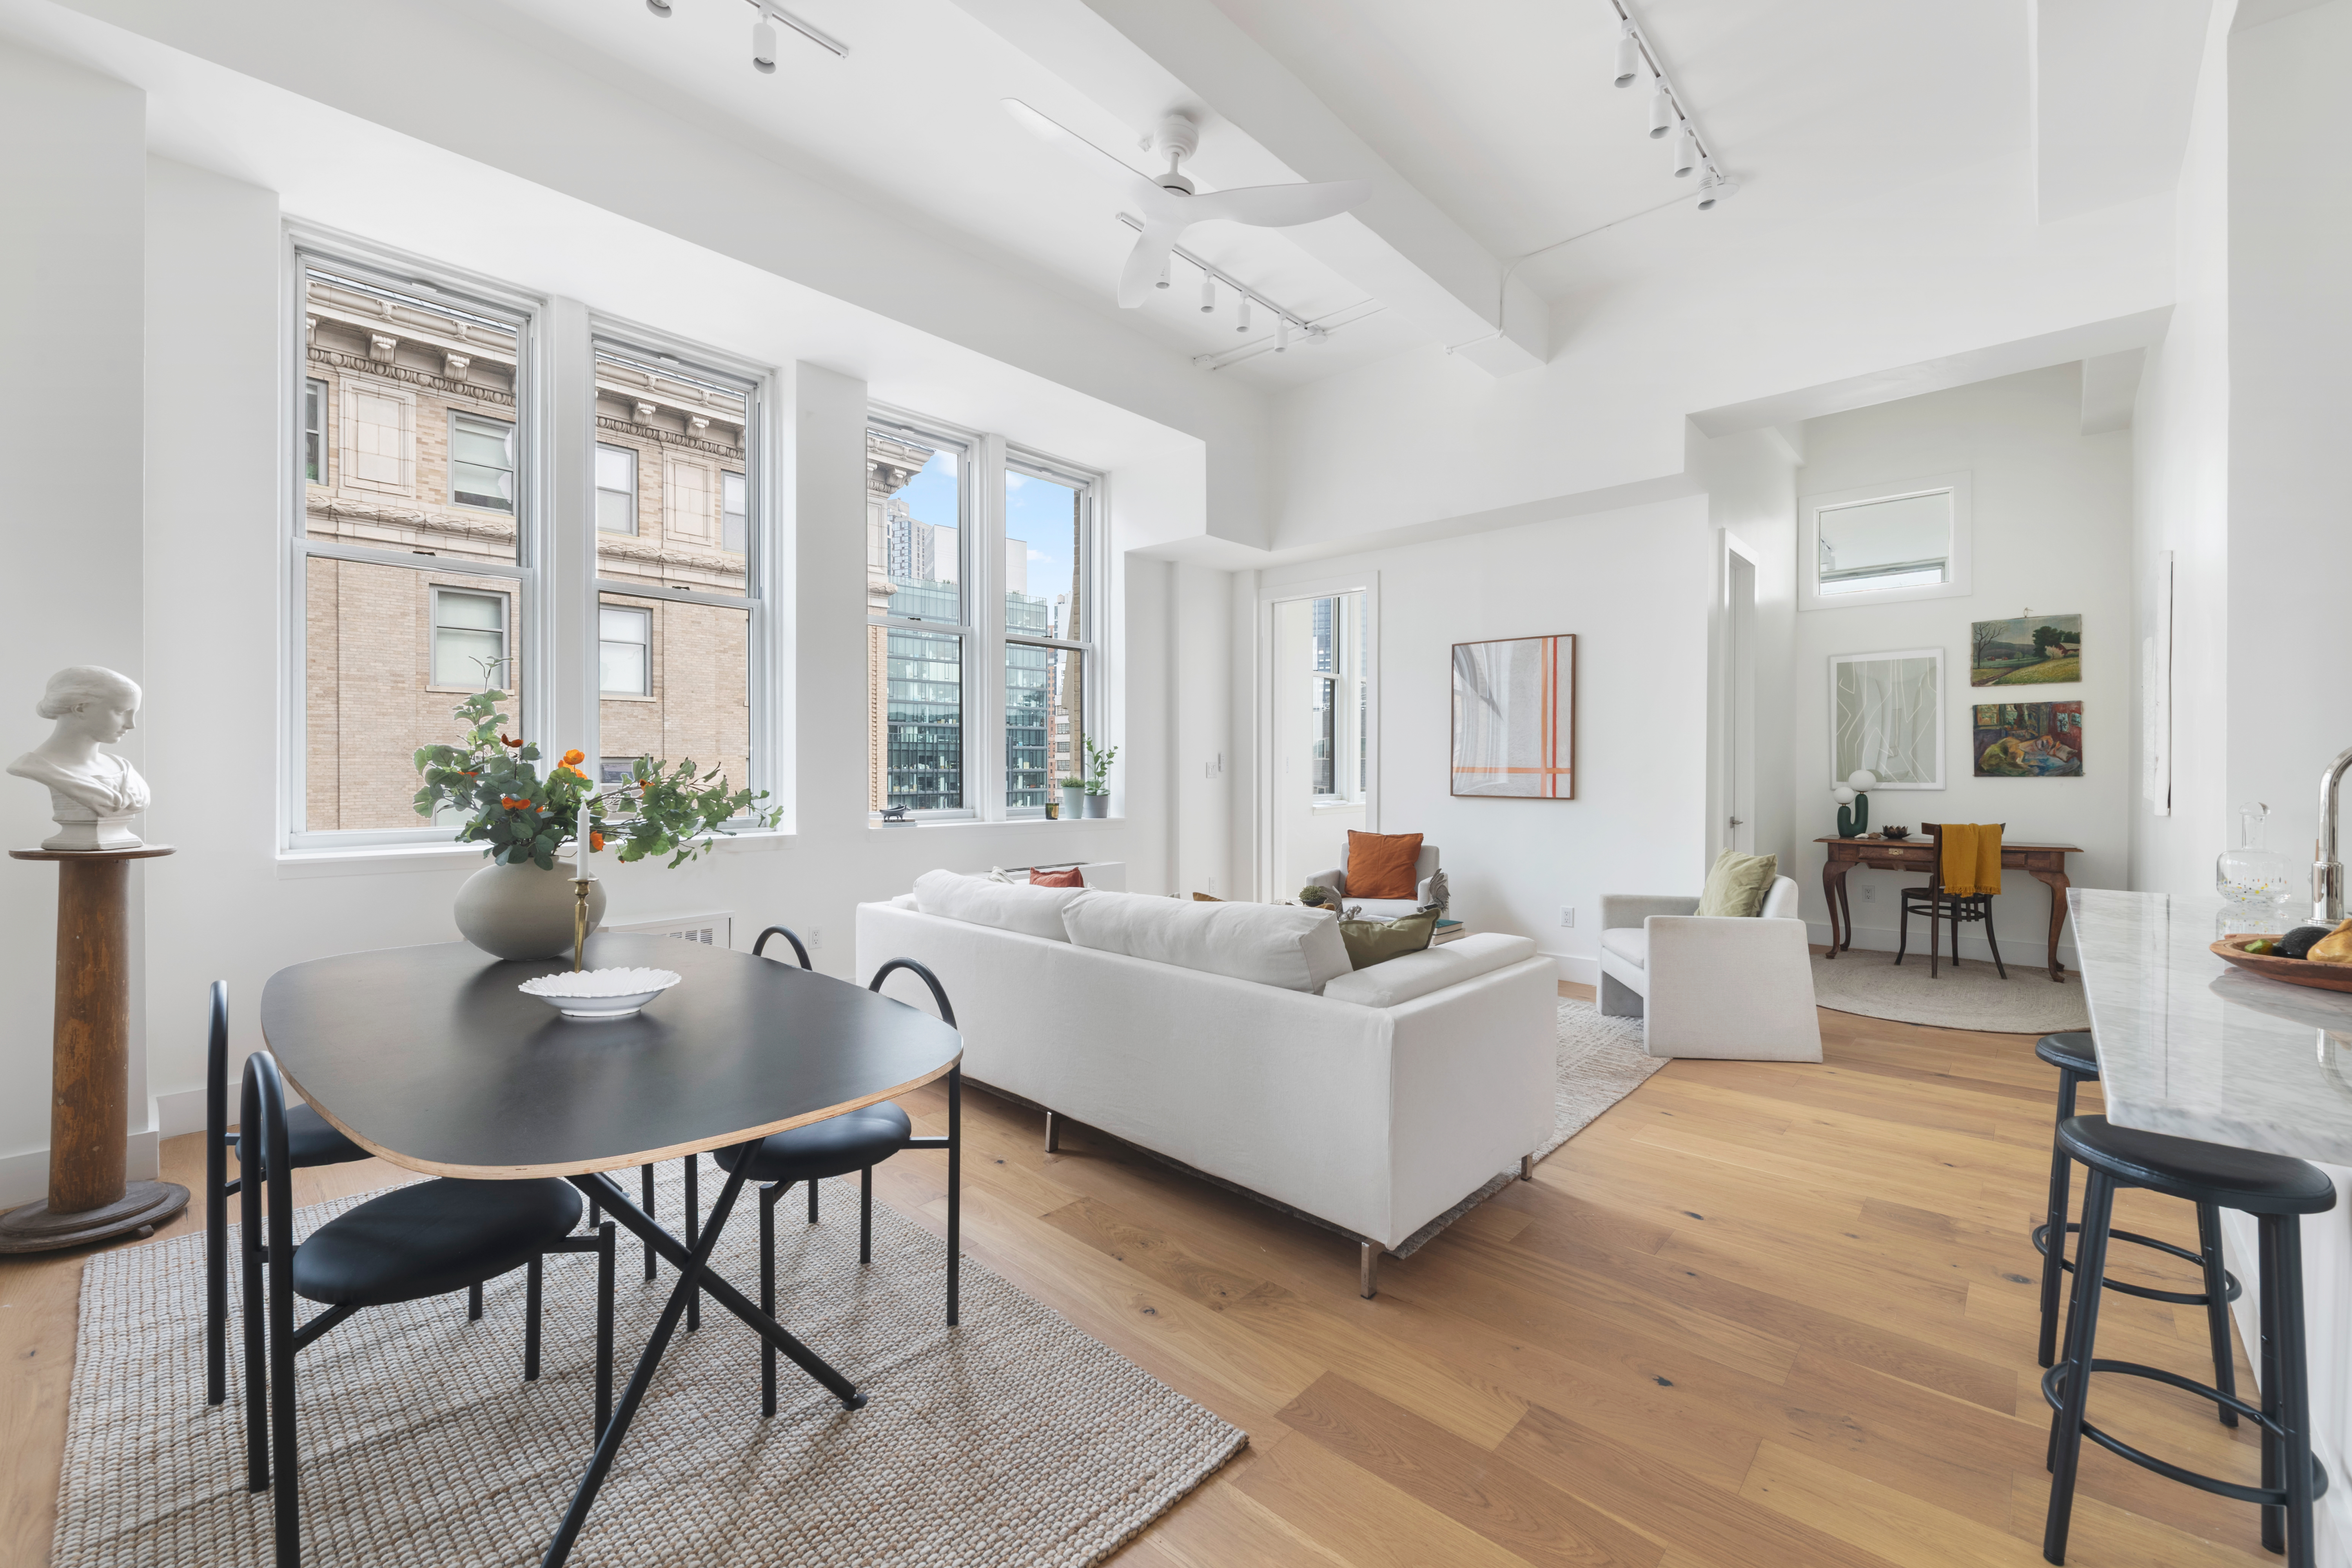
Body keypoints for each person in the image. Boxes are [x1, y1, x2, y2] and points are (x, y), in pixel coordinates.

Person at [9, 666, 150, 847]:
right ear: (81, 709)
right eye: (122, 712)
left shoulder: (123, 768)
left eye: (134, 714)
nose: (131, 725)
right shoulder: (36, 767)